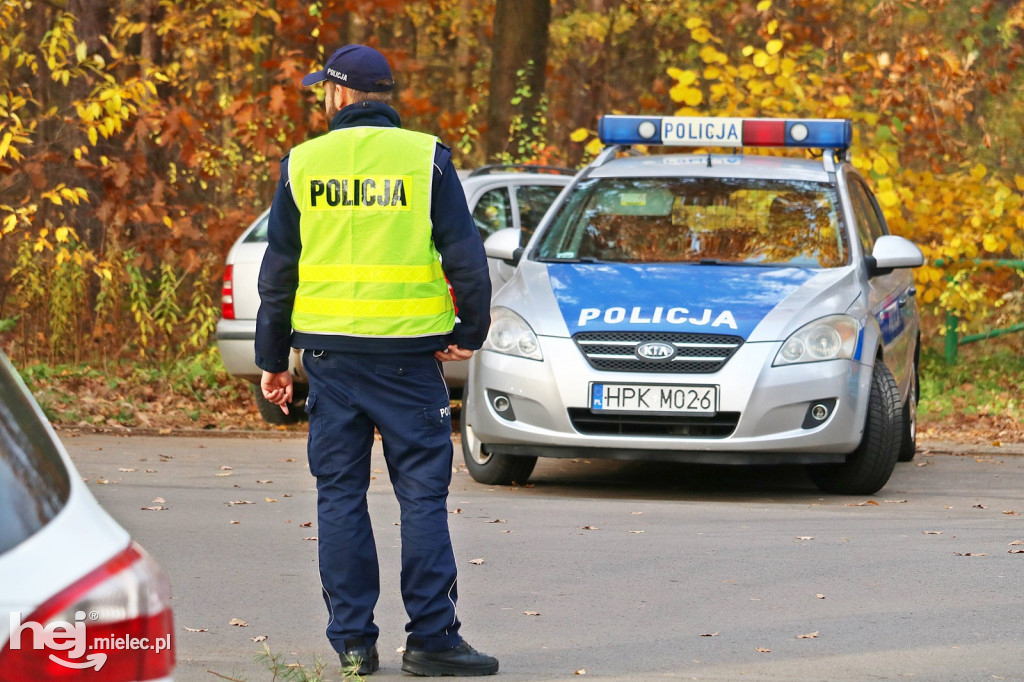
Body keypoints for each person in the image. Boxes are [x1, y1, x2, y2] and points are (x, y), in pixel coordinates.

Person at [254, 44, 498, 677]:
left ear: (338, 95)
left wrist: (272, 361)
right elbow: (465, 259)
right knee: (421, 499)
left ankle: (355, 645)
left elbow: (278, 271)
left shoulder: (301, 164)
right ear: (384, 97)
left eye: (323, 91)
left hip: (330, 360)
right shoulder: (426, 160)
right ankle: (433, 640)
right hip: (408, 359)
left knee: (340, 496)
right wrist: (469, 330)